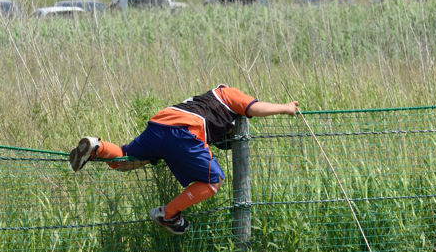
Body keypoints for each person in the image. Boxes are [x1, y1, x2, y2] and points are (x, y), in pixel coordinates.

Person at [69, 84, 298, 235]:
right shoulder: (228, 93)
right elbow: (253, 107)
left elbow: (221, 138)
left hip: (160, 122)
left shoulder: (203, 101)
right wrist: (285, 108)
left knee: (127, 160)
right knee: (214, 180)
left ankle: (97, 147)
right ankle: (168, 214)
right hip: (184, 130)